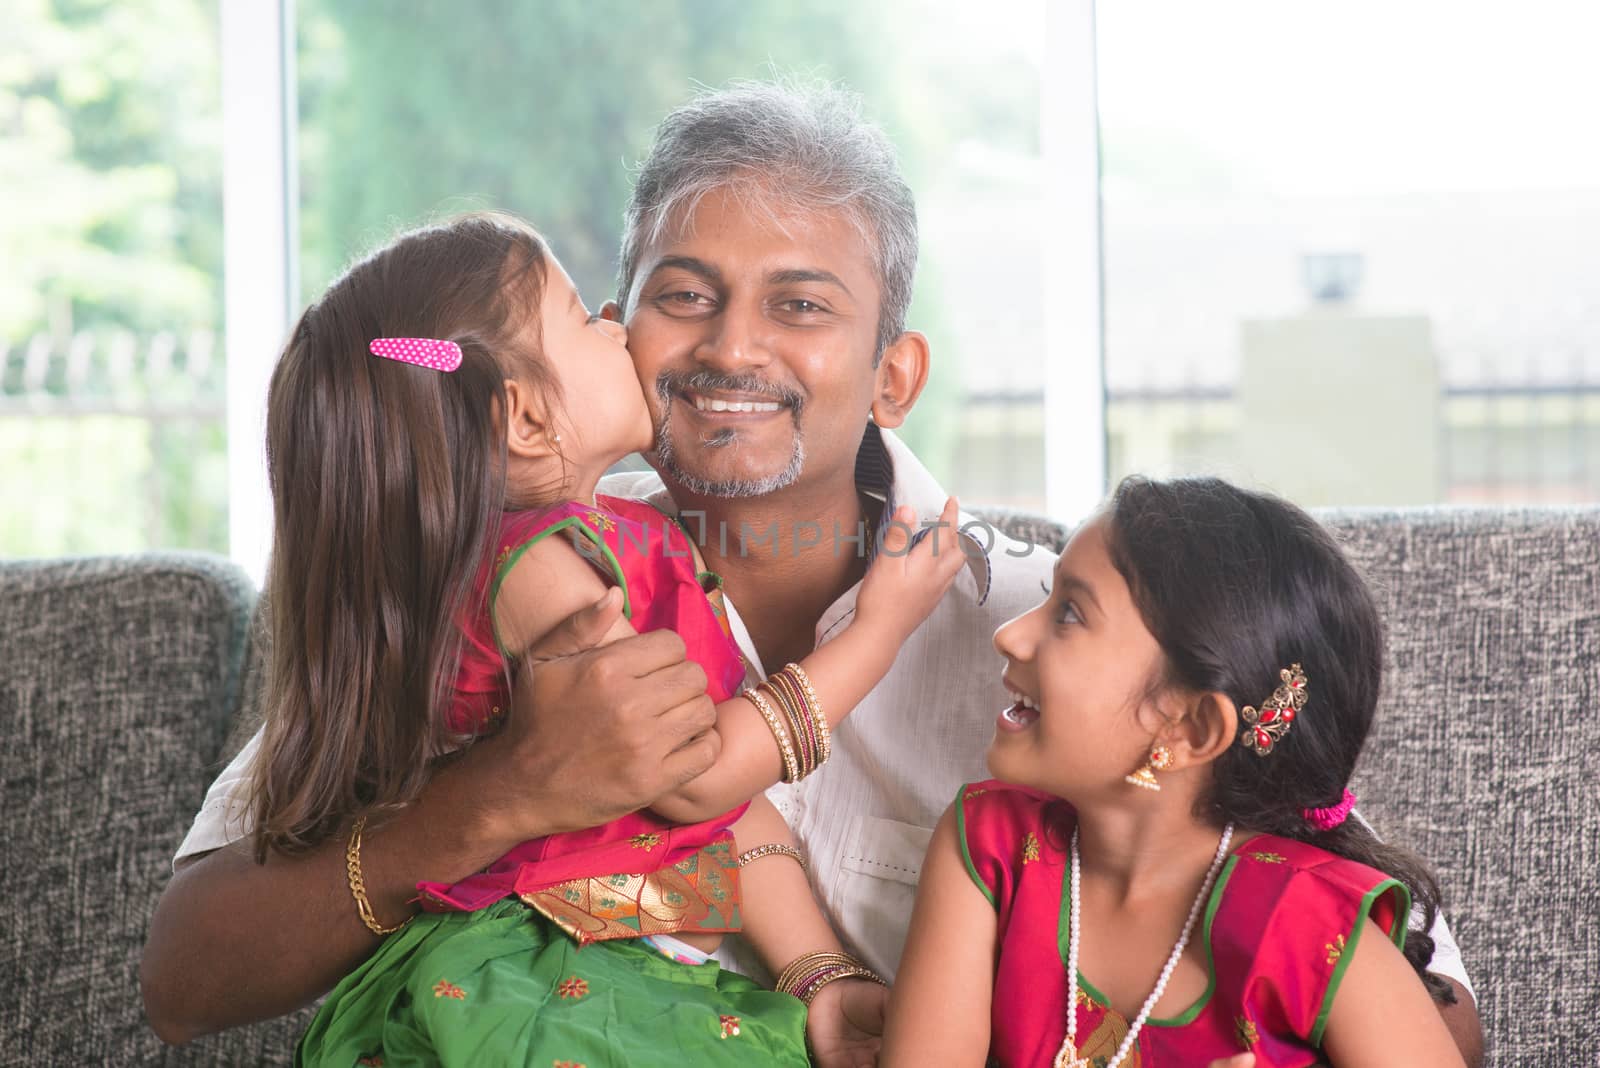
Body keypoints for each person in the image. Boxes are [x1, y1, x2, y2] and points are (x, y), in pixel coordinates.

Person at [141, 80, 1483, 1065]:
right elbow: (185, 974)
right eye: (681, 293)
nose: (731, 348)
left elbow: (1427, 1010)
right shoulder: (456, 583)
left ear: (896, 372)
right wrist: (496, 801)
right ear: (605, 343)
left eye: (801, 304)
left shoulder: (1057, 645)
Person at [241, 210, 964, 1065]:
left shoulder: (620, 544)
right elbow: (702, 780)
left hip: (623, 970)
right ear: (525, 422)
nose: (617, 330)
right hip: (544, 985)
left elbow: (724, 808)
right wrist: (876, 634)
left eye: (799, 305)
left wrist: (817, 971)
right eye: (587, 318)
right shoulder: (539, 571)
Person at [882, 476, 1467, 1067]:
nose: (1009, 634)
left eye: (1069, 614)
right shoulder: (991, 849)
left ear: (1189, 729)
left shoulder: (1310, 929)